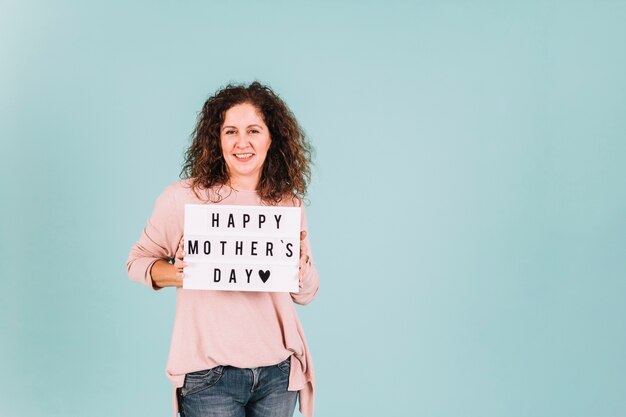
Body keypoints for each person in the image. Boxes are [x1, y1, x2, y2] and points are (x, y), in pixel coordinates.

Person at [126, 81, 320, 417]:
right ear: (217, 139)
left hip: (277, 372)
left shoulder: (287, 203)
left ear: (271, 138)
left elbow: (306, 293)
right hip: (209, 376)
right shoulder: (183, 199)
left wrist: (300, 268)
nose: (242, 142)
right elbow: (137, 262)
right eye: (231, 131)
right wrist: (178, 272)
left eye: (253, 131)